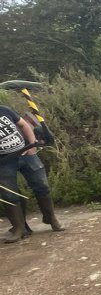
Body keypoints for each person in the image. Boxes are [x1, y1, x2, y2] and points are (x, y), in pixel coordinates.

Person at [0, 104, 63, 242]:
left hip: (26, 153)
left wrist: (32, 144)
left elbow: (24, 125)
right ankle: (19, 228)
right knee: (9, 194)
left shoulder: (4, 109)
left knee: (42, 185)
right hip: (3, 163)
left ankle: (50, 218)